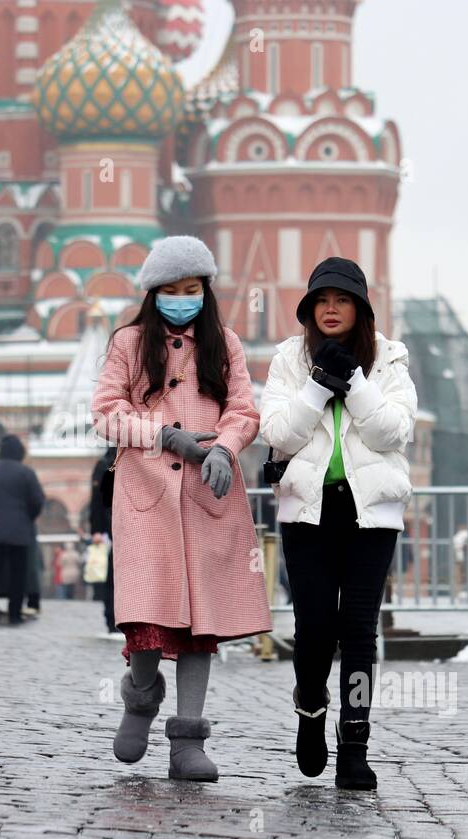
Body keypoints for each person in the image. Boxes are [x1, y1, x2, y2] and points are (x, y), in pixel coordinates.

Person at [91, 235, 271, 782]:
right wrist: (166, 435)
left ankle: (188, 738)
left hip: (207, 496)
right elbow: (105, 413)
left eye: (191, 289)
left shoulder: (226, 343)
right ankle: (140, 697)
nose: (181, 299)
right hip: (146, 495)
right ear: (153, 293)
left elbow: (244, 408)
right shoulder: (128, 342)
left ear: (206, 291)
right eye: (169, 290)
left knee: (202, 623)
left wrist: (224, 446)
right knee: (148, 617)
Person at [260, 256, 417, 790]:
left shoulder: (390, 361)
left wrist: (354, 382)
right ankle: (310, 712)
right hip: (307, 510)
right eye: (322, 300)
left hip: (370, 513)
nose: (331, 309)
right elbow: (278, 433)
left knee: (357, 632)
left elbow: (393, 433)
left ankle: (355, 742)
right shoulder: (287, 359)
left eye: (343, 300)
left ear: (361, 309)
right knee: (313, 631)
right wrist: (316, 388)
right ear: (309, 309)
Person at [0, 435, 45, 626]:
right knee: (18, 572)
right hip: (20, 532)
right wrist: (28, 516)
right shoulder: (26, 473)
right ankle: (14, 612)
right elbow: (38, 500)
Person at [88, 445, 117, 633]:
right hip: (120, 525)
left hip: (111, 526)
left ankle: (112, 618)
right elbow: (97, 500)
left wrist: (96, 530)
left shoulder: (103, 464)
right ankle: (114, 617)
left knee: (113, 575)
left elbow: (96, 501)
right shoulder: (106, 464)